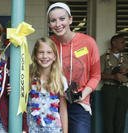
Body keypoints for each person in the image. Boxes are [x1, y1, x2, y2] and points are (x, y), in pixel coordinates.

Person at [47, 2, 101, 133]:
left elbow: (96, 75)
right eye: (53, 20)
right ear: (49, 24)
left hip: (79, 103)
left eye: (62, 18)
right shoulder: (49, 44)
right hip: (52, 102)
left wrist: (83, 94)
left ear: (70, 19)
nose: (58, 24)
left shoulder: (88, 42)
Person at [27, 37, 68, 133]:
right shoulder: (28, 78)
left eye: (49, 52)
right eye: (41, 52)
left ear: (54, 57)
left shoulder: (60, 80)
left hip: (54, 129)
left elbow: (63, 110)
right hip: (32, 128)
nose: (45, 56)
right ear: (35, 56)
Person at [101, 34, 128, 133]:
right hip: (109, 89)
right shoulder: (104, 58)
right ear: (114, 43)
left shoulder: (125, 58)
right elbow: (98, 75)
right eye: (122, 42)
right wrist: (113, 77)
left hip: (123, 89)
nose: (124, 44)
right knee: (109, 117)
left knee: (121, 117)